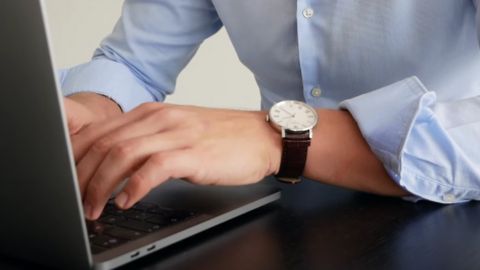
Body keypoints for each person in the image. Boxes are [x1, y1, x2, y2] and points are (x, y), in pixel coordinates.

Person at [60, 0, 480, 220]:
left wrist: (278, 136)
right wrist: (94, 108)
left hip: (445, 208)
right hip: (279, 210)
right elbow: (134, 62)